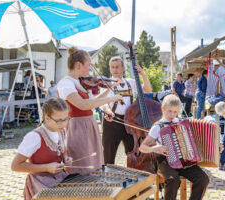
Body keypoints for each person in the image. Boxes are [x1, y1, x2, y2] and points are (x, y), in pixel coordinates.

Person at [57, 47, 123, 175]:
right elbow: (83, 105)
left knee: (93, 164)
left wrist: (110, 88)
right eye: (88, 65)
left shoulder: (79, 82)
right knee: (81, 165)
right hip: (77, 127)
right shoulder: (66, 83)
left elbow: (92, 103)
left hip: (88, 125)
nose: (90, 69)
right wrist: (112, 98)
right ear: (78, 65)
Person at [139, 94, 209, 200]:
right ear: (163, 109)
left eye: (175, 112)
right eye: (169, 111)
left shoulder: (182, 123)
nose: (172, 114)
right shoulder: (157, 126)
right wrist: (154, 149)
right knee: (173, 180)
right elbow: (142, 147)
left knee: (203, 178)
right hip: (166, 162)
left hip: (185, 161)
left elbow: (197, 140)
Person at [11, 98, 72, 200]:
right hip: (40, 183)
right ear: (47, 118)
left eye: (66, 119)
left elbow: (61, 150)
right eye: (59, 120)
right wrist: (46, 168)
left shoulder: (62, 131)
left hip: (59, 178)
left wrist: (66, 158)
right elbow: (15, 166)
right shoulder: (35, 137)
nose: (63, 124)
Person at [101, 56, 152, 164]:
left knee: (132, 153)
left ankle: (132, 175)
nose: (115, 70)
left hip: (129, 122)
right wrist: (108, 111)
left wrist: (142, 74)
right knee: (108, 156)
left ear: (123, 68)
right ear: (110, 69)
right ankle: (109, 178)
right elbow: (103, 102)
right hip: (112, 121)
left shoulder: (131, 82)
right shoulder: (106, 83)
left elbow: (148, 90)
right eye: (112, 67)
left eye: (117, 67)